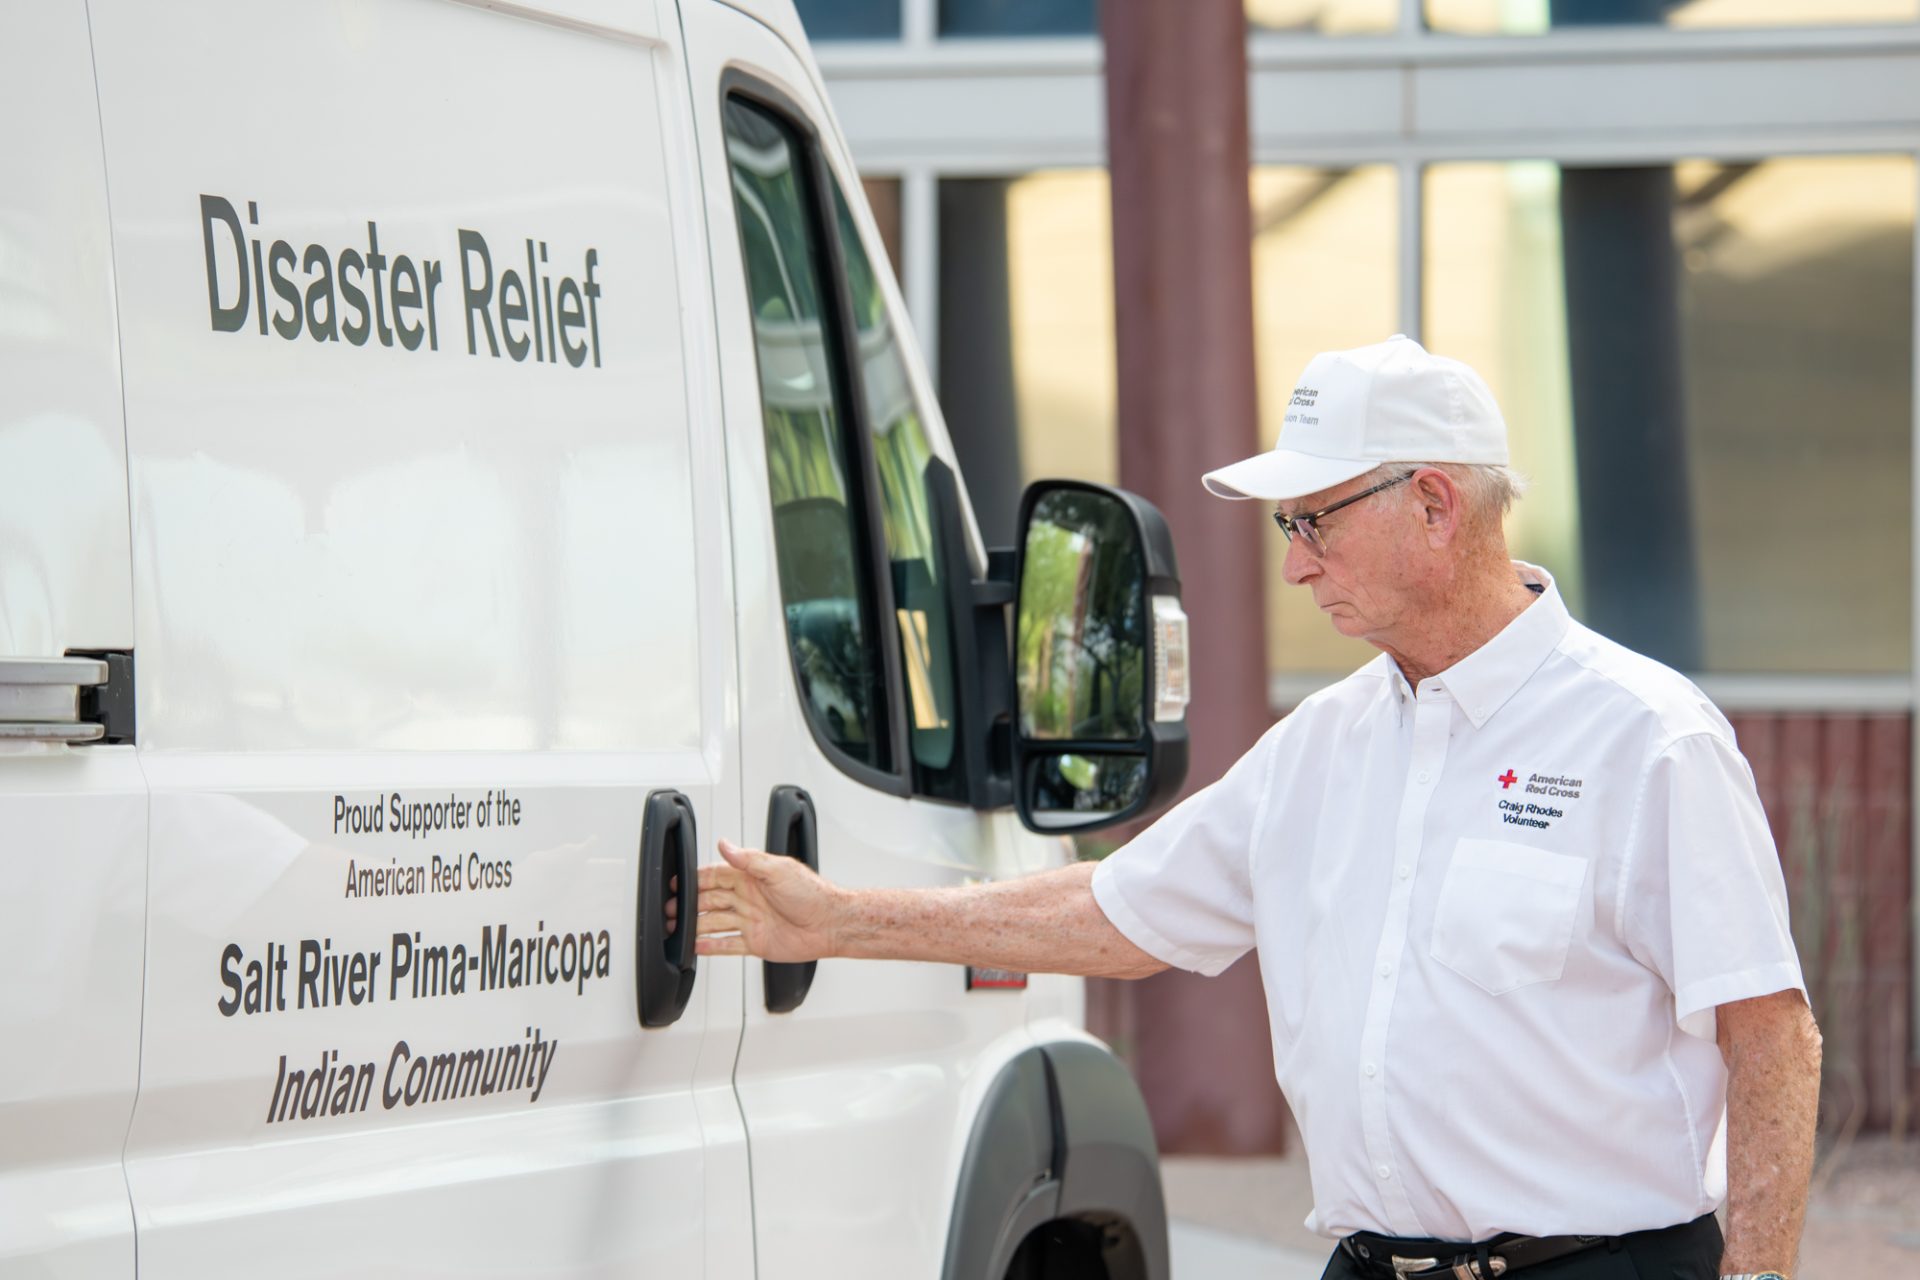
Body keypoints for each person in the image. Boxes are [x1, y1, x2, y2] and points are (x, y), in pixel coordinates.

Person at [691, 335, 1821, 1280]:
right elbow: (1116, 913)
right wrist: (834, 918)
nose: (1297, 565)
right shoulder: (1322, 747)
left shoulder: (1648, 737)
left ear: (1432, 503)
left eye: (1313, 520)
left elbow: (1771, 1034)